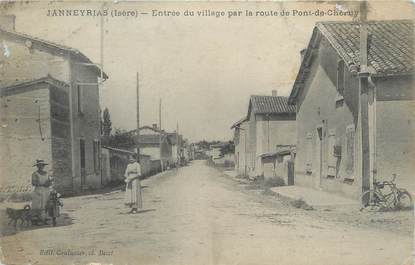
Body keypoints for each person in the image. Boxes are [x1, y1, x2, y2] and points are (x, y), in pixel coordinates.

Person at [31, 159, 53, 224]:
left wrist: (49, 183)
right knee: (38, 205)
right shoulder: (35, 174)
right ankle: (37, 220)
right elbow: (33, 183)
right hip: (38, 190)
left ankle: (45, 218)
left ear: (44, 166)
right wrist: (42, 184)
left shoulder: (47, 173)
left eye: (42, 165)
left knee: (46, 204)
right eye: (39, 165)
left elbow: (50, 181)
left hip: (46, 190)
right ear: (37, 166)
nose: (41, 166)